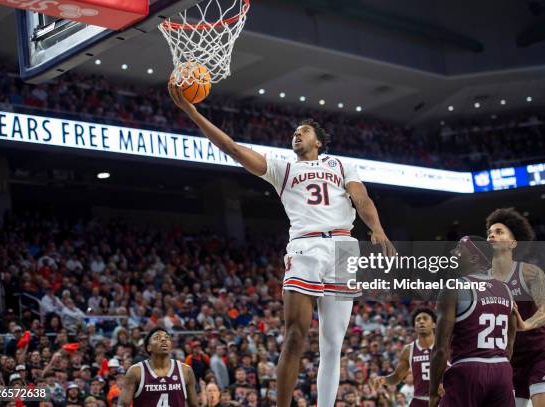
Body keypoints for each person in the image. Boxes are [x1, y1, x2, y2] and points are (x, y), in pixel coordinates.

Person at [169, 77, 394, 407]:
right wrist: (190, 110)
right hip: (306, 246)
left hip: (344, 247)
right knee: (294, 337)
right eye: (295, 132)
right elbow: (231, 148)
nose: (297, 134)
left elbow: (362, 198)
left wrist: (377, 229)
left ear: (319, 142)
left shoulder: (342, 164)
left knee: (332, 345)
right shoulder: (282, 167)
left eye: (303, 131)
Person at [429, 236, 517, 407]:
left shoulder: (453, 288)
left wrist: (433, 392)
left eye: (459, 249)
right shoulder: (506, 289)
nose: (452, 252)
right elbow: (510, 343)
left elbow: (440, 349)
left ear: (474, 258)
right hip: (502, 370)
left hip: (468, 371)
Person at [486, 208, 545, 407]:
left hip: (538, 355)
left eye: (499, 231)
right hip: (505, 360)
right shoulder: (481, 281)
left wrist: (525, 325)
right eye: (490, 232)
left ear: (513, 242)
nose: (492, 235)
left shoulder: (529, 272)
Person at [118, 327, 198, 407]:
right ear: (149, 347)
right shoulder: (136, 371)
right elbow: (122, 405)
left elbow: (194, 405)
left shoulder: (185, 370)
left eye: (167, 338)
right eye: (157, 338)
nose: (163, 339)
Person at [374, 308, 436, 406]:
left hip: (441, 399)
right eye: (418, 320)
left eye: (425, 318)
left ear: (434, 324)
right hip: (419, 400)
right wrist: (384, 380)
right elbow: (397, 377)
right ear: (415, 326)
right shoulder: (408, 350)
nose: (421, 321)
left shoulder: (444, 347)